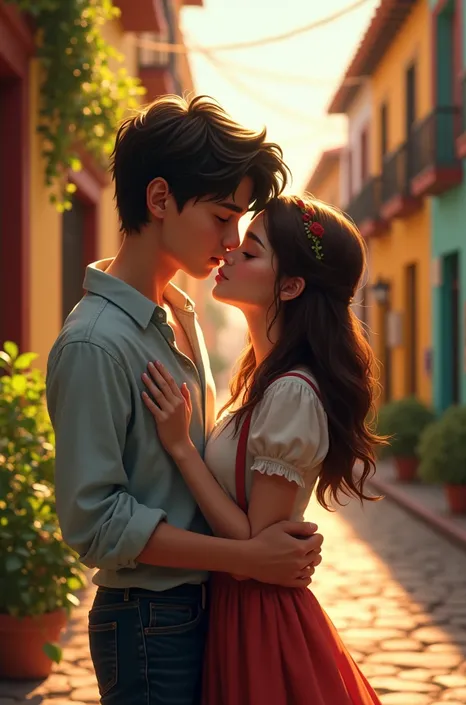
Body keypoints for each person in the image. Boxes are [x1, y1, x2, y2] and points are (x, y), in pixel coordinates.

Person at [46, 95, 324, 705]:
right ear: (159, 199)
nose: (231, 240)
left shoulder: (178, 311)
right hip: (148, 621)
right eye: (222, 216)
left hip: (205, 609)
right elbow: (94, 521)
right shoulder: (95, 342)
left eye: (241, 223)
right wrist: (245, 557)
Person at [141, 195, 385, 705]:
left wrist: (182, 449)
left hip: (260, 619)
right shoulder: (263, 380)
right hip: (234, 609)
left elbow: (256, 545)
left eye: (250, 251)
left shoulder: (292, 391)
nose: (228, 252)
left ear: (291, 285)